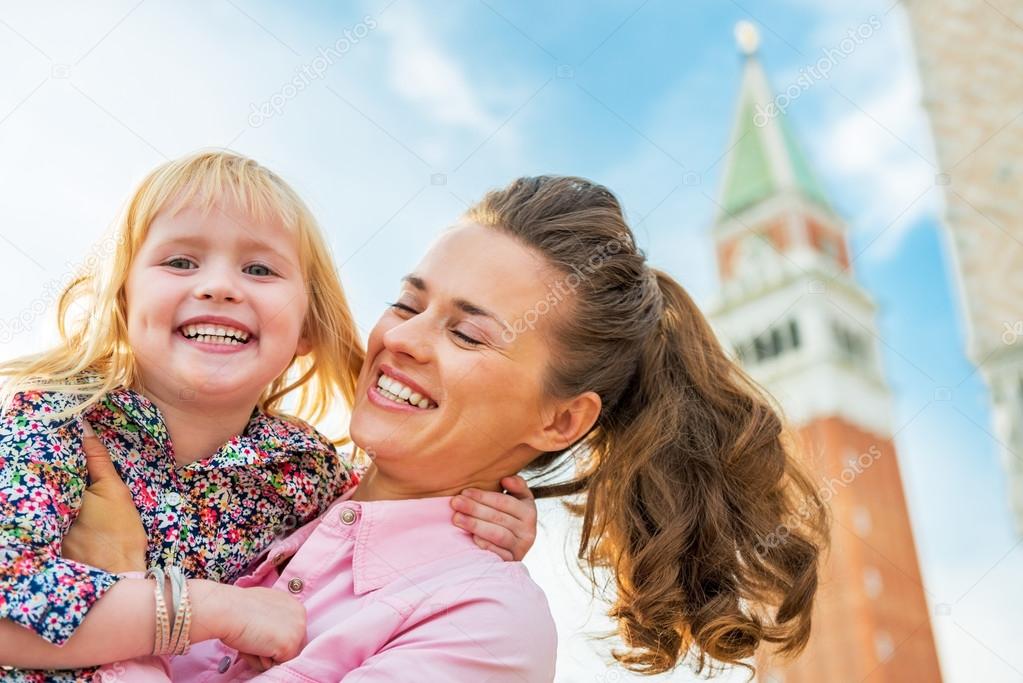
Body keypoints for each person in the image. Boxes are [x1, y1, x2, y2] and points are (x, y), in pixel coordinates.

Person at [46, 175, 829, 681]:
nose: (405, 340)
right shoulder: (278, 487)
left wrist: (131, 594)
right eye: (410, 300)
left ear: (560, 419)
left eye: (468, 334)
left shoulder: (487, 624)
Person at [0, 153, 537, 682]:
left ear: (307, 327)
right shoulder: (53, 422)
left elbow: (389, 516)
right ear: (121, 299)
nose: (219, 286)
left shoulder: (302, 469)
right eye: (180, 261)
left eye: (259, 269)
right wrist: (215, 611)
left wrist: (494, 514)